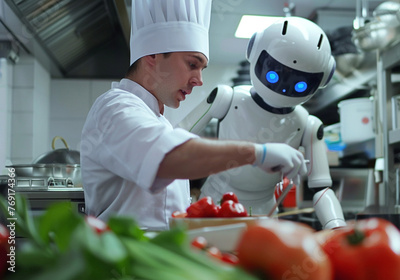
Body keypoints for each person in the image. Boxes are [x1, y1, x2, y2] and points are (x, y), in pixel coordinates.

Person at [80, 0, 307, 230]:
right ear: (153, 56)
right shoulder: (115, 108)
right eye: (192, 64)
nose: (199, 80)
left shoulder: (158, 120)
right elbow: (168, 158)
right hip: (125, 262)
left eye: (201, 69)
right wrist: (257, 153)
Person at [177, 16, 346, 229]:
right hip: (215, 204)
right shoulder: (227, 98)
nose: (284, 86)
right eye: (275, 75)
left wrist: (336, 225)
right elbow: (176, 139)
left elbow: (321, 186)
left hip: (266, 213)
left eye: (299, 83)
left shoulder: (307, 125)